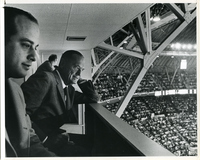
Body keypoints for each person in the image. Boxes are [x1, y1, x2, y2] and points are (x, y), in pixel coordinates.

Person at [21, 50, 100, 156]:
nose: (79, 73)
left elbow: (93, 98)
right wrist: (46, 139)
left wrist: (80, 80)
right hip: (37, 141)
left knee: (91, 146)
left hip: (54, 136)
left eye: (82, 70)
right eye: (76, 68)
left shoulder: (69, 89)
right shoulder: (46, 79)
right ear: (62, 64)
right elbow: (20, 114)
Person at [4, 7, 56, 157]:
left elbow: (29, 140)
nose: (34, 57)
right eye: (26, 45)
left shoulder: (16, 90)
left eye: (36, 48)